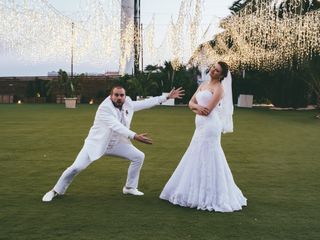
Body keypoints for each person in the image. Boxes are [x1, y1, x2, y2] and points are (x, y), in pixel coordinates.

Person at [42, 85, 184, 202]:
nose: (119, 97)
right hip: (97, 144)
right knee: (76, 168)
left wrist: (165, 97)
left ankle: (129, 188)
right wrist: (135, 136)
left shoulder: (127, 102)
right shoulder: (104, 108)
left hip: (118, 144)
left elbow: (143, 103)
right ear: (111, 96)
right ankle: (55, 191)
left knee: (139, 156)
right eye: (116, 95)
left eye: (121, 95)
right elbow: (116, 126)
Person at [160, 62, 247, 212]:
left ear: (221, 75)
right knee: (195, 154)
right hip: (200, 126)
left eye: (217, 70)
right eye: (213, 67)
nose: (213, 70)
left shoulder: (219, 89)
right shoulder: (204, 84)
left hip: (211, 127)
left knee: (209, 156)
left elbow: (208, 111)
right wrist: (197, 107)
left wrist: (197, 108)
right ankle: (193, 189)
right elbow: (190, 102)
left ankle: (210, 194)